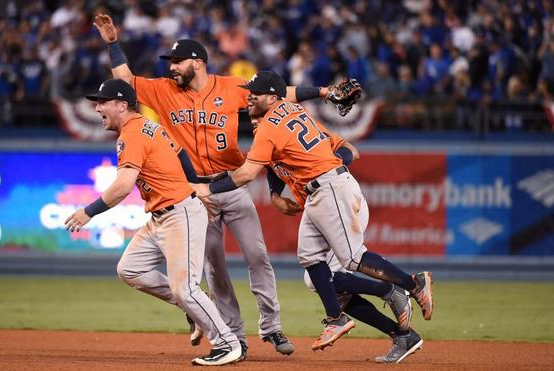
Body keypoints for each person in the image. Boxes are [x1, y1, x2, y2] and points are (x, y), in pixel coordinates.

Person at [93, 13, 335, 357]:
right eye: (171, 62)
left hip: (231, 185)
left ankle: (272, 327)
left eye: (177, 61)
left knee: (257, 256)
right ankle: (235, 337)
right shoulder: (162, 91)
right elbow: (125, 80)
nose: (172, 67)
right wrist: (113, 43)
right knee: (215, 269)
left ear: (197, 62)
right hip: (194, 193)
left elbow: (282, 93)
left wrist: (323, 91)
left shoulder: (230, 88)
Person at [196, 70, 434, 351]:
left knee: (352, 260)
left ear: (273, 97)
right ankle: (343, 318)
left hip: (333, 190)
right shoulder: (291, 112)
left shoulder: (270, 126)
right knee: (311, 262)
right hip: (320, 195)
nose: (248, 98)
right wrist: (275, 193)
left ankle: (410, 284)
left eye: (255, 94)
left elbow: (248, 173)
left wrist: (207, 190)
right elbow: (273, 163)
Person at [64, 78, 242, 366]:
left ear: (122, 105)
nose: (97, 108)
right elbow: (181, 152)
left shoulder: (132, 133)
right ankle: (195, 306)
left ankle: (227, 344)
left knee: (184, 289)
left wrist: (89, 211)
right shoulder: (148, 125)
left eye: (102, 102)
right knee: (130, 269)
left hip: (179, 214)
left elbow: (123, 186)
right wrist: (194, 183)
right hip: (161, 217)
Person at [262, 114, 423, 364]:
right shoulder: (268, 141)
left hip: (338, 199)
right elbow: (271, 166)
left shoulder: (302, 133)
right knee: (321, 282)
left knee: (344, 264)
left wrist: (327, 162)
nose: (253, 121)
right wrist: (274, 193)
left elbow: (351, 152)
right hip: (323, 207)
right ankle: (402, 334)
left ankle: (396, 289)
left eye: (257, 115)